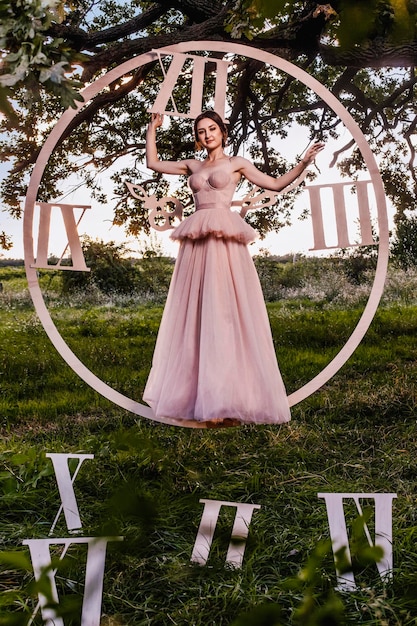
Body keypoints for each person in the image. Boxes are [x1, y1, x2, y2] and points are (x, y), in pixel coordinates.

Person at [143, 110, 324, 427]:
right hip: (197, 243)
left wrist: (304, 162)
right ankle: (196, 395)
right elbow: (153, 163)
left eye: (212, 129)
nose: (206, 135)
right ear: (197, 137)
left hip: (225, 239)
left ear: (222, 132)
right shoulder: (193, 165)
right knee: (197, 312)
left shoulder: (237, 163)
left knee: (226, 310)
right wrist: (152, 129)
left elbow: (276, 184)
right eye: (201, 131)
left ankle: (231, 396)